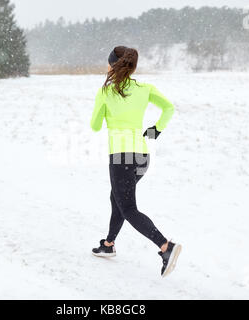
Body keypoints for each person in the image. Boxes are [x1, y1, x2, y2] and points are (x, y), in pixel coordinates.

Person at [90, 46, 182, 277]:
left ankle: (165, 247)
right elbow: (169, 108)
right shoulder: (144, 88)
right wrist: (155, 130)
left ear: (113, 65)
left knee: (128, 208)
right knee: (118, 198)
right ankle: (108, 244)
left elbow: (95, 125)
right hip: (142, 157)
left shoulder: (106, 92)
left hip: (121, 158)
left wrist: (106, 111)